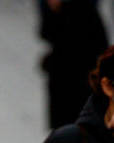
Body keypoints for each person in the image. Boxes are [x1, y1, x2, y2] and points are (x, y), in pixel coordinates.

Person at [39, 0, 108, 129]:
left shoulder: (83, 9)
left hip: (77, 74)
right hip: (63, 74)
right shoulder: (58, 9)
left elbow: (101, 41)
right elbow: (45, 33)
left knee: (76, 123)